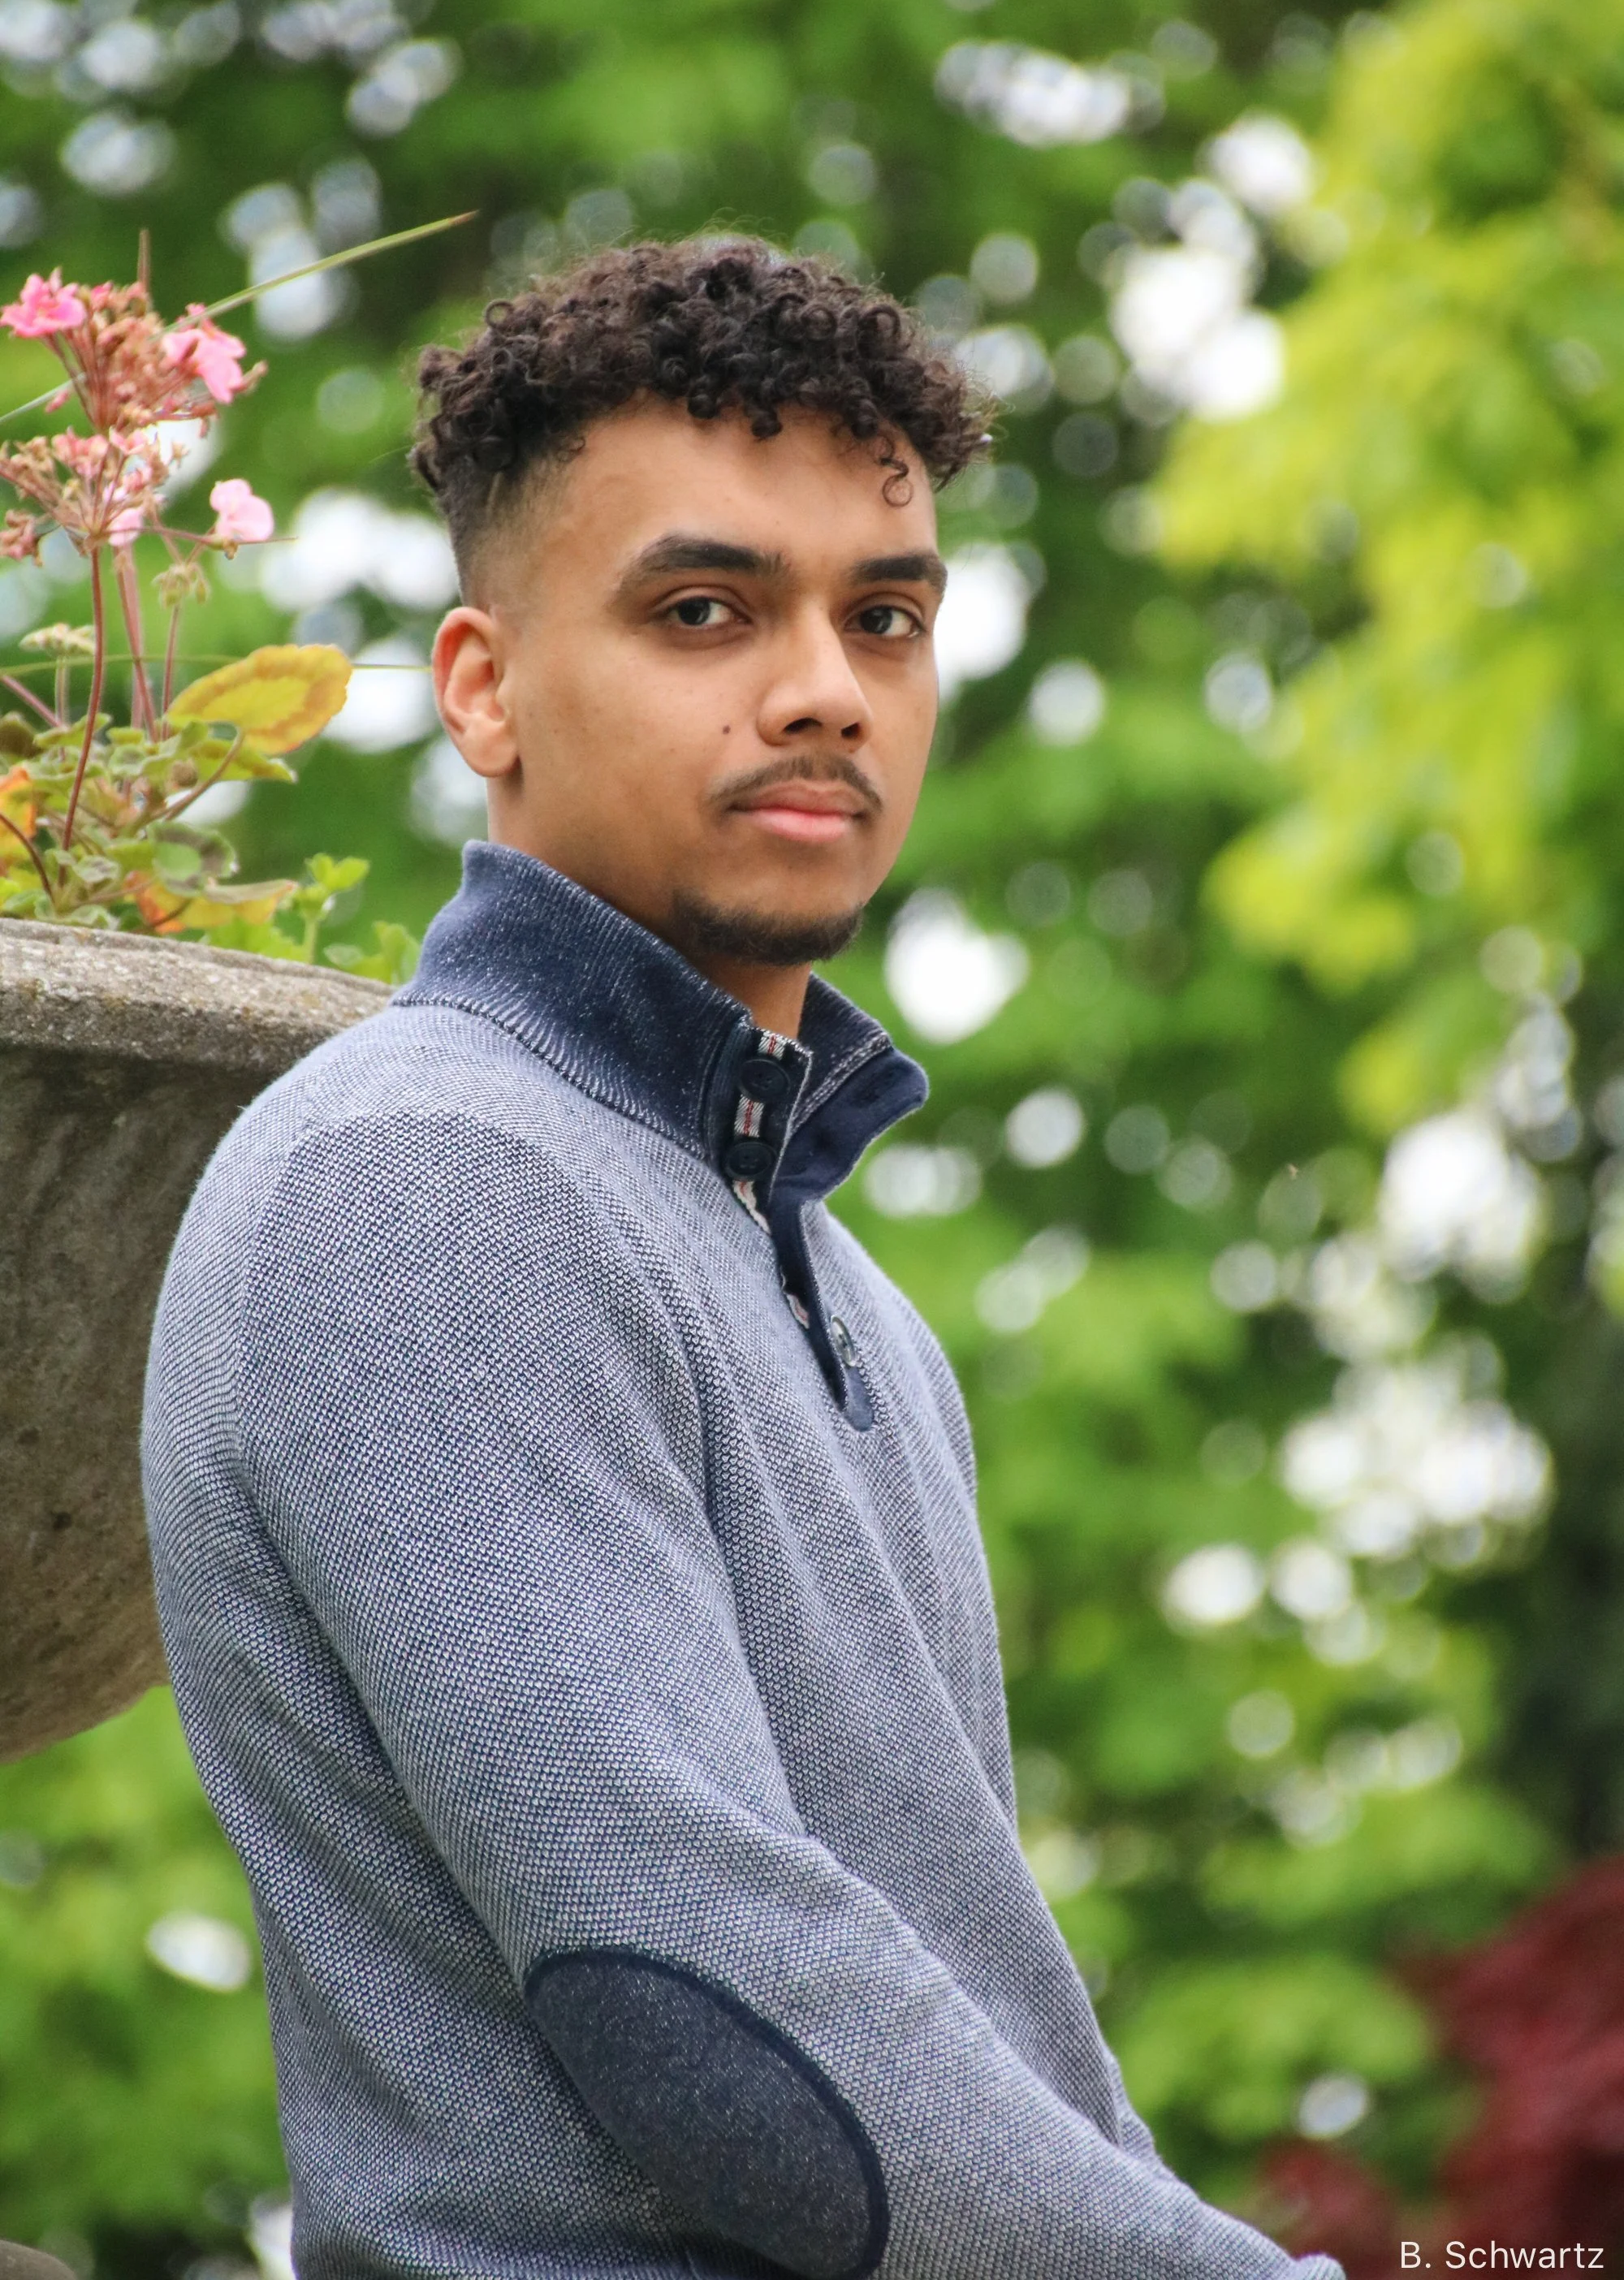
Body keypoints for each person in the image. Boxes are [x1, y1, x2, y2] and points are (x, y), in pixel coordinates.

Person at [144, 239, 1341, 2280]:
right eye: (705, 611)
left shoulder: (838, 1282)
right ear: (482, 690)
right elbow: (701, 1999)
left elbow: (989, 2033)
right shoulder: (427, 1174)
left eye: (885, 617)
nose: (823, 688)